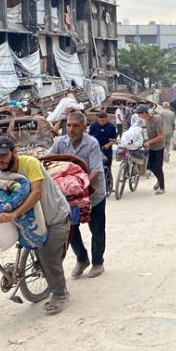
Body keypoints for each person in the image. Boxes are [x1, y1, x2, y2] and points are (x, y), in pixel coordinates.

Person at [0, 137, 71, 314]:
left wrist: (14, 214)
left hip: (55, 215)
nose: (0, 160)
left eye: (3, 155)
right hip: (32, 216)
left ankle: (60, 294)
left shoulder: (29, 163)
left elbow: (36, 192)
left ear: (14, 152)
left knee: (49, 258)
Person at [50, 111, 108, 278]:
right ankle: (82, 259)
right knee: (70, 229)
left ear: (83, 127)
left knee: (96, 229)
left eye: (75, 125)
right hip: (69, 197)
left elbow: (96, 169)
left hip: (93, 194)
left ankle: (98, 263)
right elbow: (48, 160)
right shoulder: (60, 143)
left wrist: (82, 187)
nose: (71, 129)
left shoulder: (92, 144)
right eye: (68, 125)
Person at [136, 105, 166, 195]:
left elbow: (161, 136)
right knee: (150, 167)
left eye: (140, 114)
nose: (139, 116)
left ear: (145, 113)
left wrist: (148, 142)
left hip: (159, 147)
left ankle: (162, 187)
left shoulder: (156, 119)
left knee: (157, 167)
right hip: (152, 147)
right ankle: (159, 180)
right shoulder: (145, 121)